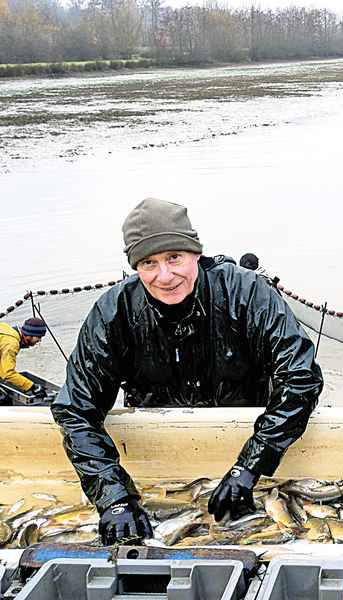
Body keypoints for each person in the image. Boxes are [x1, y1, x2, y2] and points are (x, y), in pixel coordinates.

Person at [51, 198, 324, 545]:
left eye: (174, 258)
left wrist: (252, 464)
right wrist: (114, 498)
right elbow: (75, 408)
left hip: (248, 439)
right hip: (159, 455)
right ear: (135, 267)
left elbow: (300, 377)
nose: (165, 276)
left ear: (196, 252)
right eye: (148, 263)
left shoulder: (248, 292)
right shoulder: (114, 312)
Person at [0, 318, 48, 403]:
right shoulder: (11, 344)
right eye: (39, 337)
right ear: (29, 335)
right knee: (4, 400)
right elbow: (8, 373)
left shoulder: (7, 329)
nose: (39, 340)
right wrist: (32, 386)